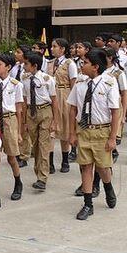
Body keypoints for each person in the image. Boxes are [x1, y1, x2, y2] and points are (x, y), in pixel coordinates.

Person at [67, 49, 120, 220]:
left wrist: (113, 137)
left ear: (96, 66)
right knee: (85, 167)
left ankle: (108, 187)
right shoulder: (80, 84)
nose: (82, 65)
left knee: (103, 167)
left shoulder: (109, 83)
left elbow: (115, 112)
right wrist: (72, 133)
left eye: (86, 63)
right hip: (84, 130)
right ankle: (88, 204)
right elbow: (73, 108)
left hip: (101, 131)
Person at [0, 53, 25, 211]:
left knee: (11, 158)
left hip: (9, 120)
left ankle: (18, 181)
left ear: (8, 67)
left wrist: (20, 132)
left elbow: (19, 110)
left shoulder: (16, 85)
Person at [21, 52, 57, 191]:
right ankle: (38, 171)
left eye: (26, 64)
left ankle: (42, 178)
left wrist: (55, 121)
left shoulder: (47, 79)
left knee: (43, 144)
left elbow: (54, 101)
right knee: (35, 145)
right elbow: (24, 101)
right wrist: (24, 120)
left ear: (35, 65)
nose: (24, 66)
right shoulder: (24, 78)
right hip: (31, 112)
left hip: (45, 111)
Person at [49, 38, 78, 173]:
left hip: (64, 94)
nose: (52, 48)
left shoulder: (69, 64)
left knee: (64, 128)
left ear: (62, 49)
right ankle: (49, 162)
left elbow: (73, 83)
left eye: (55, 46)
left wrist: (73, 102)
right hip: (51, 96)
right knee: (51, 128)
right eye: (52, 46)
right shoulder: (49, 63)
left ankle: (65, 159)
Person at [104, 48, 127, 162]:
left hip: (115, 104)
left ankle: (112, 152)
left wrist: (123, 114)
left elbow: (124, 94)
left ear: (110, 58)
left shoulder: (119, 73)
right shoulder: (100, 71)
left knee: (113, 130)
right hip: (103, 104)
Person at [10, 45, 31, 166]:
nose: (15, 54)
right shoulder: (15, 67)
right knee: (16, 124)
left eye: (18, 52)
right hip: (14, 97)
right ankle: (17, 151)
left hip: (24, 98)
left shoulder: (27, 67)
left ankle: (24, 155)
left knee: (24, 125)